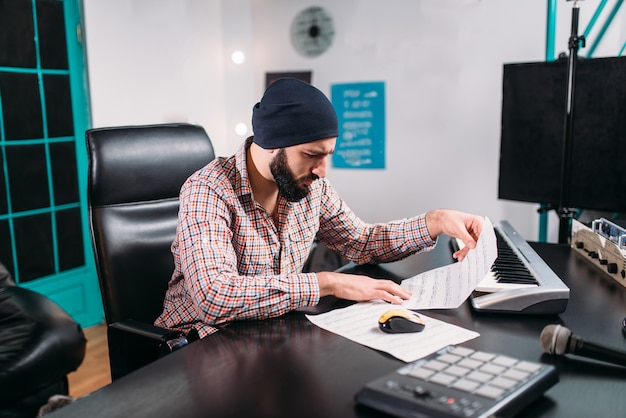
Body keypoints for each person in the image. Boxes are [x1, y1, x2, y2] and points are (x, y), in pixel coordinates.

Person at [155, 78, 484, 338]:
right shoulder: (208, 189)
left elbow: (361, 241)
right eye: (312, 155)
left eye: (327, 155)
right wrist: (329, 283)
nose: (323, 171)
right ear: (271, 145)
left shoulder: (310, 187)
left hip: (268, 332)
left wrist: (436, 221)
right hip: (198, 344)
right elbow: (215, 297)